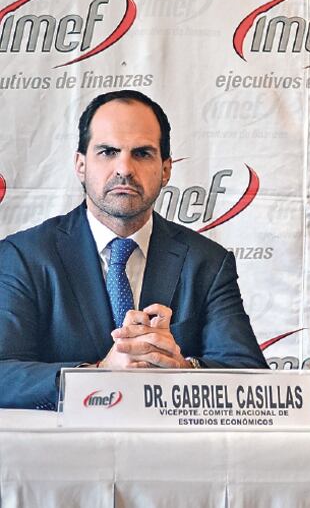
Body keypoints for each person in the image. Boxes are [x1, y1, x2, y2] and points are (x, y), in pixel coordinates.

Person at [0, 90, 267, 410]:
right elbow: (4, 373)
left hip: (168, 442)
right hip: (64, 442)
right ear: (81, 165)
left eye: (142, 153)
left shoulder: (208, 262)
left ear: (166, 170)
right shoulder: (23, 256)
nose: (124, 168)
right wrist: (98, 375)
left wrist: (183, 369)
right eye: (108, 152)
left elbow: (251, 376)